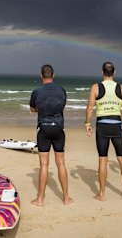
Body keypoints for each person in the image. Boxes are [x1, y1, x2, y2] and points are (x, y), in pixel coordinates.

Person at [85, 61, 122, 201]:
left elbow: (89, 109)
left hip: (102, 126)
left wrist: (87, 124)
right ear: (115, 72)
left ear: (102, 72)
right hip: (117, 125)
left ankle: (102, 194)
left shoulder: (96, 87)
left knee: (103, 160)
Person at [29, 64, 73, 207]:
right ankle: (66, 198)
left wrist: (41, 111)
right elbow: (62, 106)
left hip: (44, 129)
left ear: (41, 75)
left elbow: (32, 108)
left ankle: (40, 199)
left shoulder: (37, 91)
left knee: (43, 164)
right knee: (61, 163)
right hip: (58, 128)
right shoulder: (61, 90)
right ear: (53, 75)